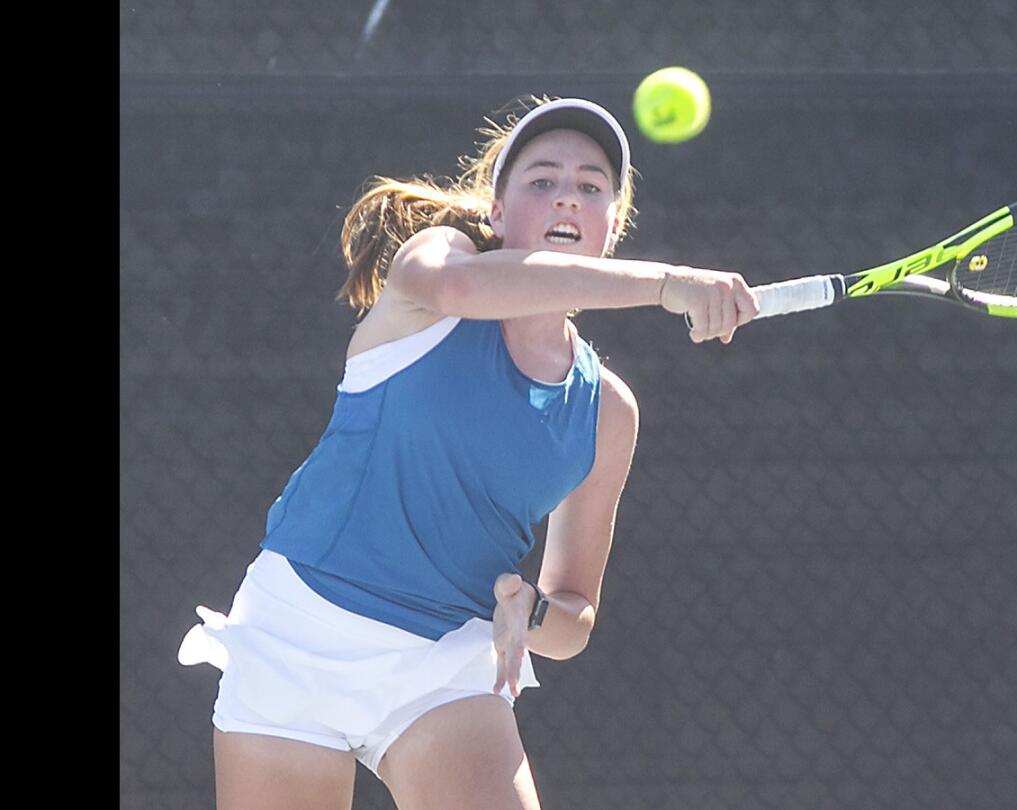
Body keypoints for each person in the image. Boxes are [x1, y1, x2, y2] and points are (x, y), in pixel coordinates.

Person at [178, 96, 758, 810]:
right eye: (541, 180)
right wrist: (668, 284)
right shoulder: (435, 270)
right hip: (298, 630)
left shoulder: (607, 411)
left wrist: (530, 613)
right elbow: (461, 287)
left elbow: (574, 616)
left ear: (613, 226)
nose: (566, 195)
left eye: (590, 185)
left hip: (442, 662)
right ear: (497, 214)